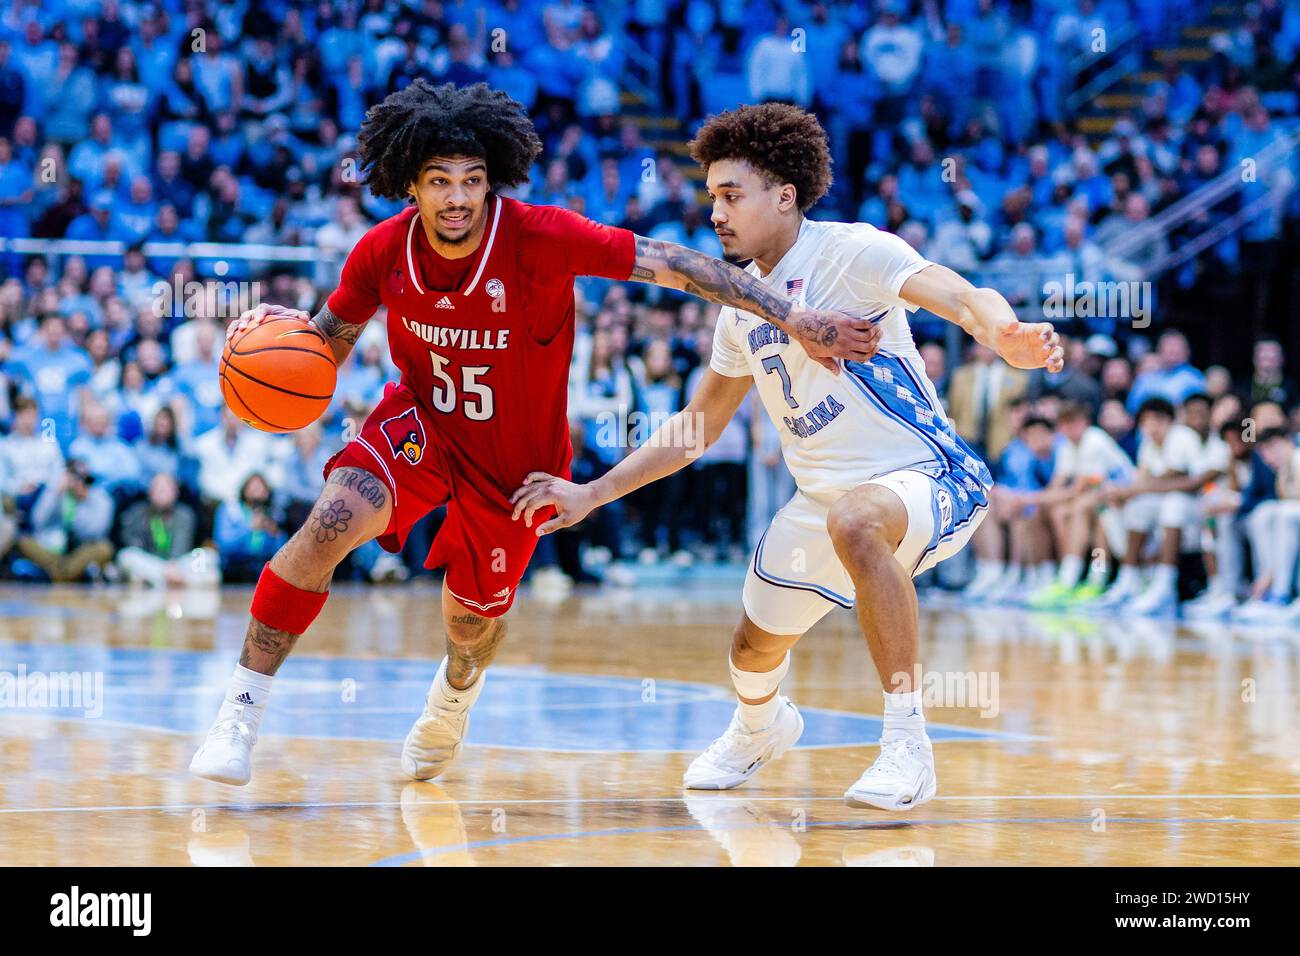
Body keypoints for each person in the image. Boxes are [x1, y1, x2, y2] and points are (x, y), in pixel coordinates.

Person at [189, 82, 877, 787]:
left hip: (518, 468)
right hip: (422, 426)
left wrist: (796, 319)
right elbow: (325, 346)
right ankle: (237, 716)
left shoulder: (540, 236)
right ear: (410, 187)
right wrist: (274, 341)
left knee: (469, 629)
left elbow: (679, 265)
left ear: (494, 182)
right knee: (328, 523)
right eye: (438, 182)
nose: (457, 198)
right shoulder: (380, 252)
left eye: (472, 182)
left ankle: (452, 702)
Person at [509, 103, 1063, 812]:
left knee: (859, 521)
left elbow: (959, 295)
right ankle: (762, 725)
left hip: (928, 476)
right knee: (750, 650)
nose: (716, 213)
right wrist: (593, 492)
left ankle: (907, 745)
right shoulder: (740, 309)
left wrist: (1005, 331)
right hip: (822, 505)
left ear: (785, 195)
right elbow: (696, 428)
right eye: (711, 197)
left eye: (731, 195)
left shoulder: (853, 251)